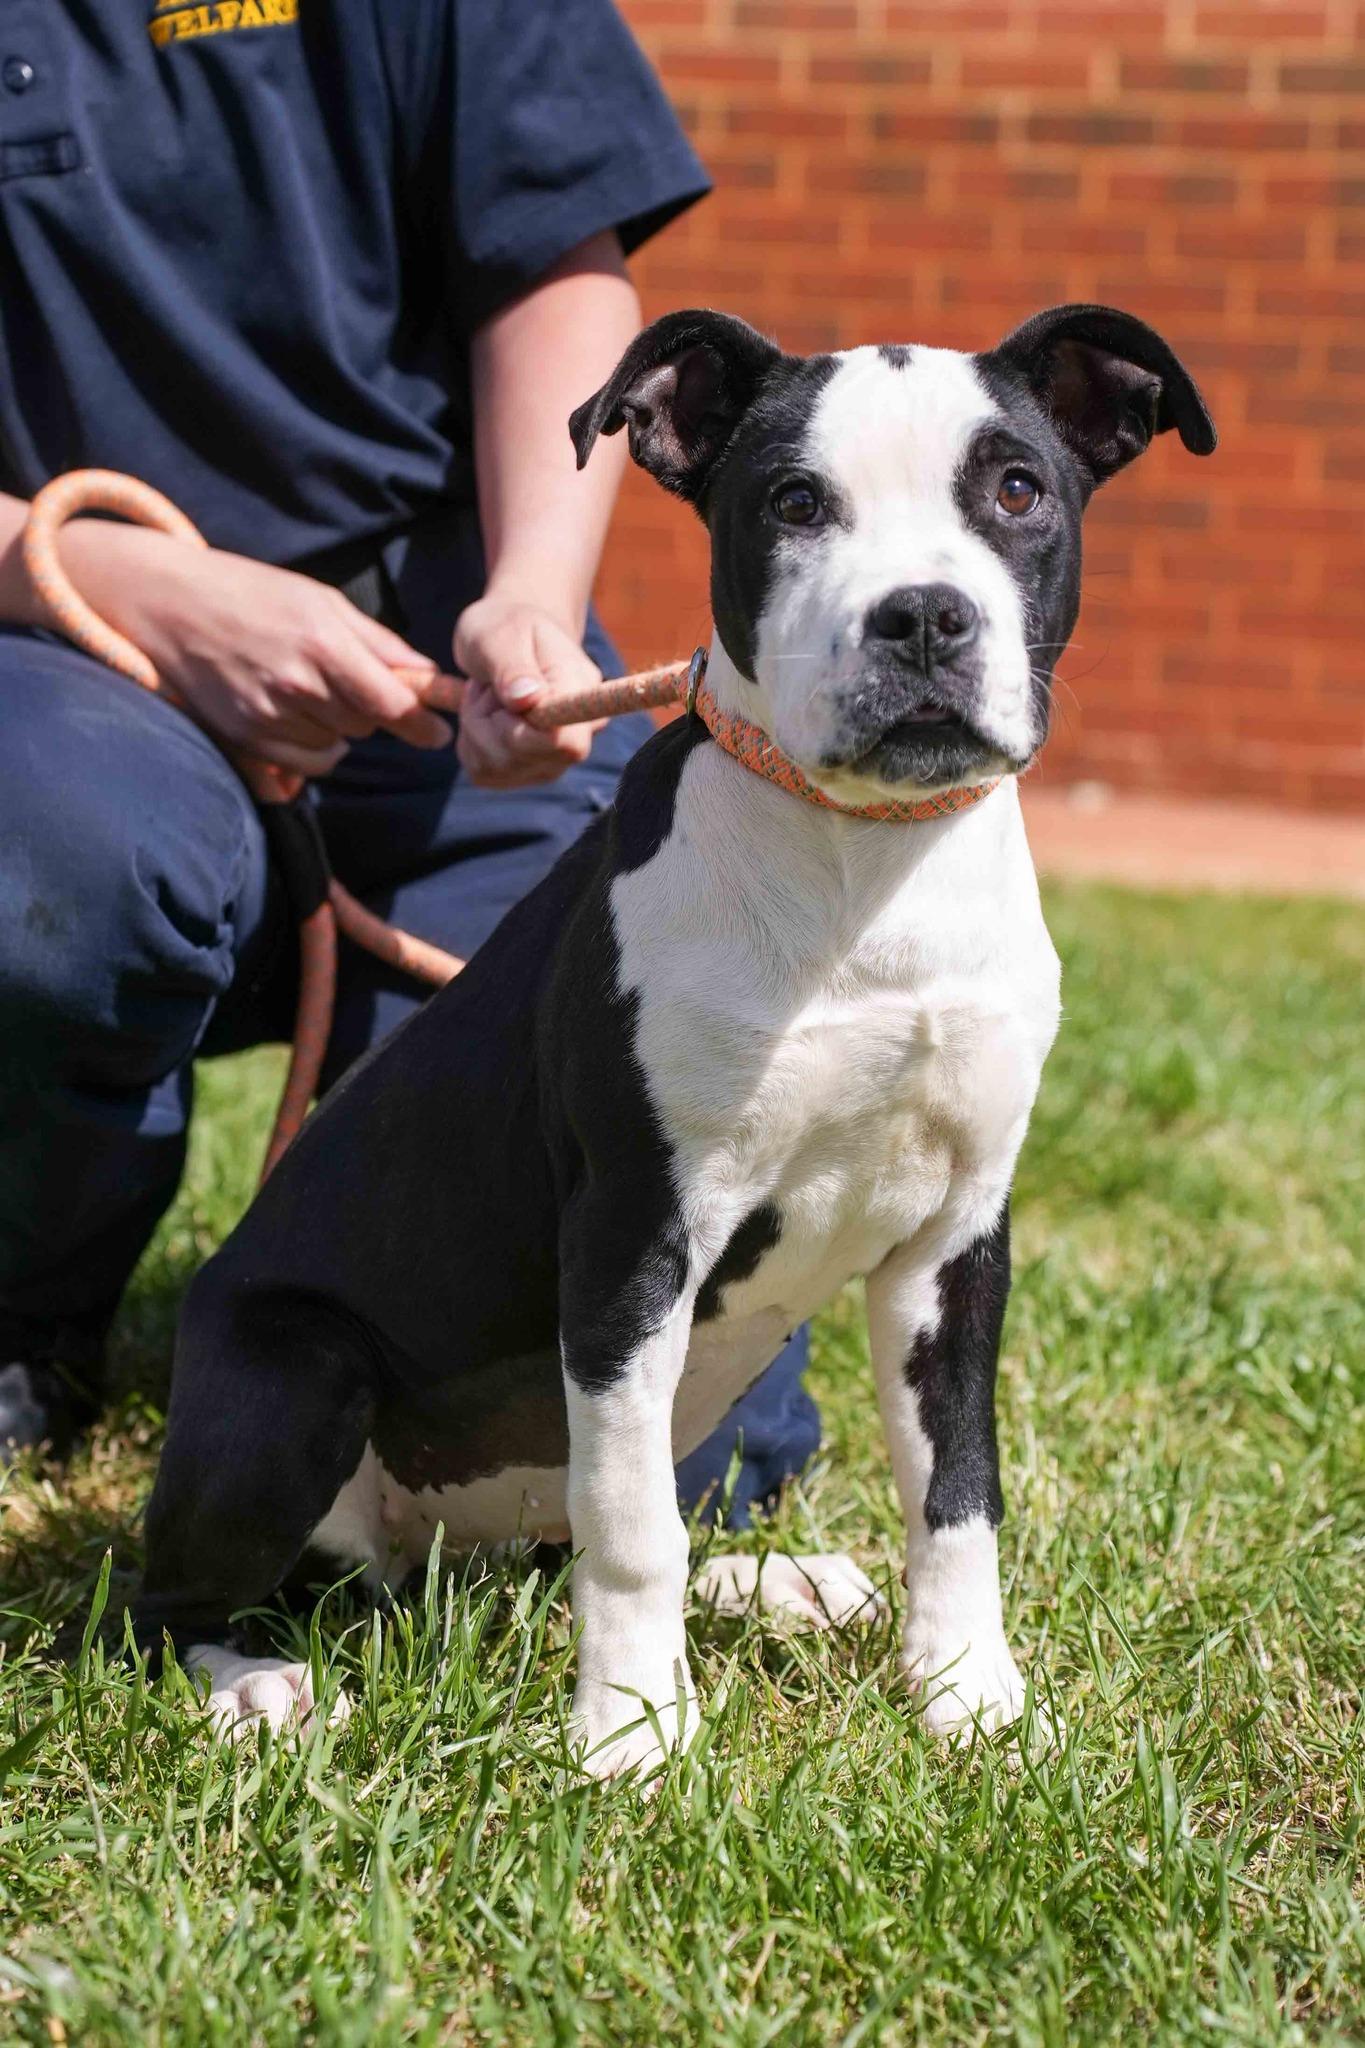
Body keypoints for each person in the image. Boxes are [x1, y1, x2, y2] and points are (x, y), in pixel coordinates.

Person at [0, 0, 817, 1518]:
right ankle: (26, 1324)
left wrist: (530, 598)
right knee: (36, 870)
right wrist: (124, 585)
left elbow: (553, 262)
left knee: (692, 1459)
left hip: (435, 681)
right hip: (51, 660)